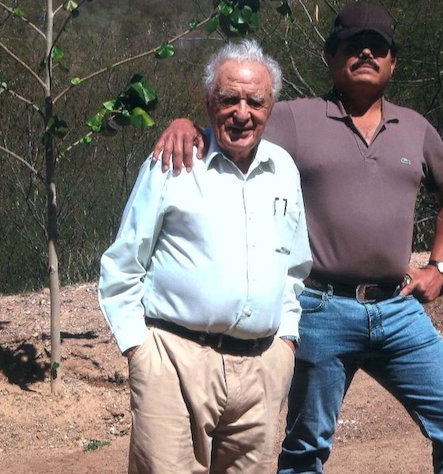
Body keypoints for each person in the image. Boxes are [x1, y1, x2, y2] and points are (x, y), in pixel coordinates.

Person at [153, 2, 443, 472]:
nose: (366, 53)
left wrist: (439, 267)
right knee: (307, 447)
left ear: (393, 62)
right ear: (331, 57)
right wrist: (186, 126)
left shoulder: (416, 129)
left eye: (378, 47)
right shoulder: (296, 118)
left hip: (399, 310)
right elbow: (233, 125)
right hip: (321, 310)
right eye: (354, 45)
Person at [98, 39, 312, 474]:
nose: (241, 113)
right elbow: (124, 263)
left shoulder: (284, 170)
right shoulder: (173, 163)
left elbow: (294, 268)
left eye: (255, 101)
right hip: (173, 363)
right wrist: (140, 352)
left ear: (271, 106)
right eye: (229, 99)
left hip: (262, 368)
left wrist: (286, 344)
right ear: (208, 101)